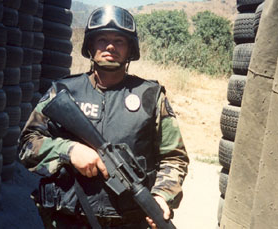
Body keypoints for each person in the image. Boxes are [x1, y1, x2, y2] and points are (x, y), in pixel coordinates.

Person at [19, 5, 189, 229]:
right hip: (68, 220)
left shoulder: (150, 97)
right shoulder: (63, 92)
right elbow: (27, 144)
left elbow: (174, 158)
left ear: (130, 49)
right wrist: (69, 151)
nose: (110, 46)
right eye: (102, 39)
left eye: (119, 41)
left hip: (129, 222)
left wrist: (161, 196)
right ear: (90, 45)